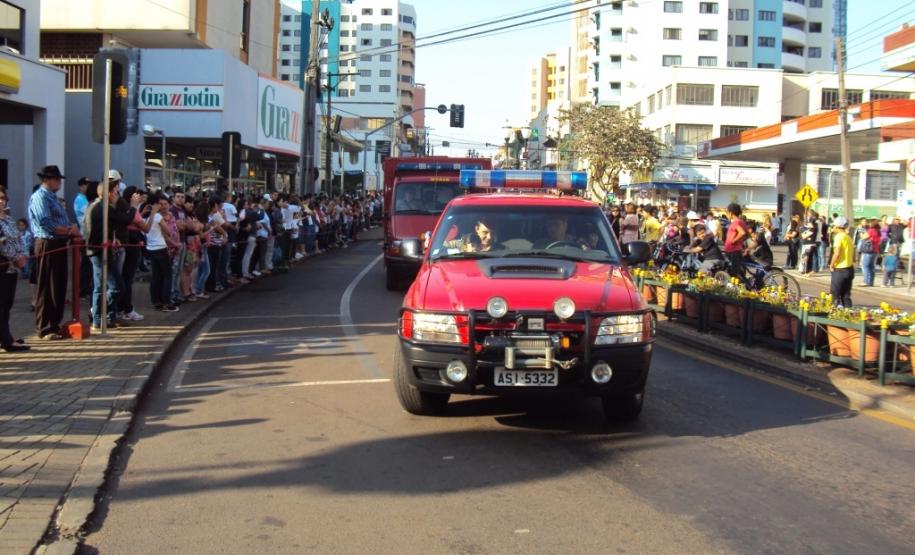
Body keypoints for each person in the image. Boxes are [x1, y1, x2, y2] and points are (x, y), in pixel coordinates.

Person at [28, 165, 79, 340]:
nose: (59, 182)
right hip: (47, 242)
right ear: (47, 179)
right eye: (56, 179)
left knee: (58, 285)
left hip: (58, 243)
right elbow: (45, 222)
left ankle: (54, 324)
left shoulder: (53, 197)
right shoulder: (40, 197)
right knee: (47, 286)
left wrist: (68, 229)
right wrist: (68, 231)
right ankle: (45, 327)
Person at [85, 179, 137, 329]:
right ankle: (100, 312)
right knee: (117, 286)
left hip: (96, 249)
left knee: (99, 286)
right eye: (115, 191)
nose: (117, 194)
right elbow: (125, 220)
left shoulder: (95, 205)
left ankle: (100, 319)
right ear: (109, 192)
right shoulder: (104, 207)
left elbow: (107, 226)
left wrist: (112, 239)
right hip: (100, 251)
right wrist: (133, 207)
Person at [0, 190, 30, 352]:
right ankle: (7, 340)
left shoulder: (10, 220)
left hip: (12, 269)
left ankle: (4, 336)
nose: (1, 201)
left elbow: (20, 240)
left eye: (3, 198)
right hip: (3, 265)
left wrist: (22, 256)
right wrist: (13, 257)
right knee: (1, 305)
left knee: (7, 304)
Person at [142, 194, 180, 312]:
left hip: (150, 248)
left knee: (156, 276)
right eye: (159, 203)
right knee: (167, 275)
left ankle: (156, 301)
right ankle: (166, 302)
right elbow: (167, 231)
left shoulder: (144, 216)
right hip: (160, 247)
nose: (160, 206)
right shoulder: (157, 216)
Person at [829, 216, 854, 307]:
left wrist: (831, 265)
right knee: (846, 296)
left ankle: (831, 317)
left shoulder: (838, 237)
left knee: (834, 296)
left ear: (836, 227)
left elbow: (837, 253)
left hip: (840, 269)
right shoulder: (848, 237)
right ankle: (848, 315)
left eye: (833, 226)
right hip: (849, 268)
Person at [722, 203, 748, 280]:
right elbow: (747, 234)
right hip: (737, 250)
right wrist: (740, 242)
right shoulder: (741, 222)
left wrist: (734, 240)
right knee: (737, 271)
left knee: (733, 273)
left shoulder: (735, 222)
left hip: (732, 250)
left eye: (727, 212)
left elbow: (742, 232)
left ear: (731, 213)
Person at [857, 220, 880, 287]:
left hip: (868, 251)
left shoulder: (871, 230)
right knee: (871, 267)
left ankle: (865, 281)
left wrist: (860, 229)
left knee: (865, 266)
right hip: (875, 250)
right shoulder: (878, 231)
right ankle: (871, 282)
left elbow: (863, 237)